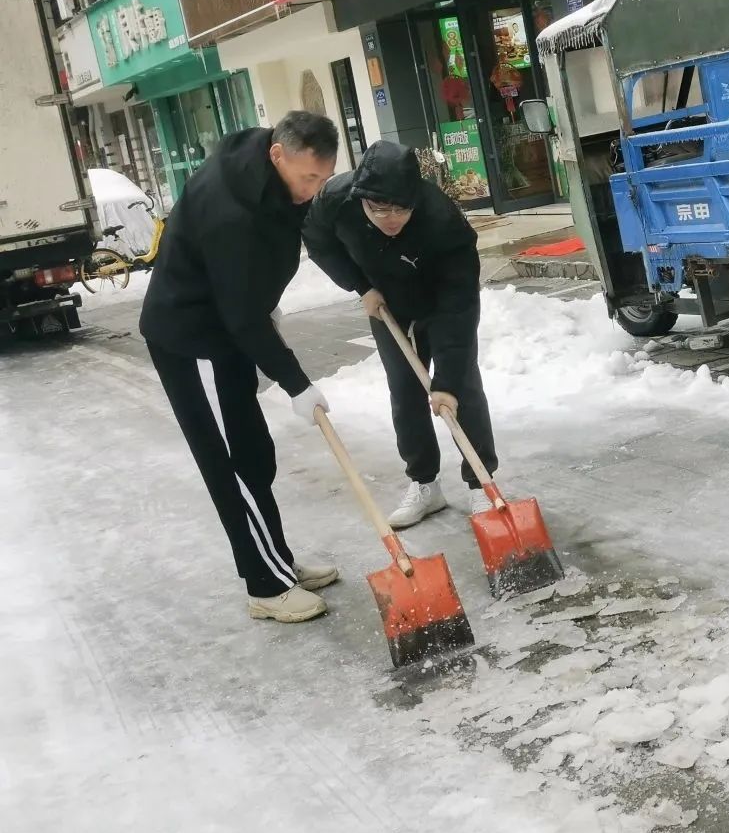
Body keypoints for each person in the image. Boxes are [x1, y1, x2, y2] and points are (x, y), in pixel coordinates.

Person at [140, 112, 341, 624]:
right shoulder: (232, 209)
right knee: (226, 462)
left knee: (252, 451)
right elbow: (242, 316)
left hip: (228, 331)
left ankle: (278, 559)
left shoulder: (270, 175)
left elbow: (249, 297)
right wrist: (297, 384)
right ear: (278, 155)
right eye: (307, 179)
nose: (312, 191)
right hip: (191, 341)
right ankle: (264, 585)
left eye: (322, 178)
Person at [303, 140, 497, 528]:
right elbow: (318, 241)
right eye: (380, 210)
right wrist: (360, 287)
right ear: (361, 198)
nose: (392, 219)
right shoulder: (334, 200)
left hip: (441, 304)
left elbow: (459, 303)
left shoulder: (442, 219)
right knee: (405, 391)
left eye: (401, 209)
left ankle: (481, 484)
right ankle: (425, 484)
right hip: (387, 304)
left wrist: (444, 382)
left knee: (459, 387)